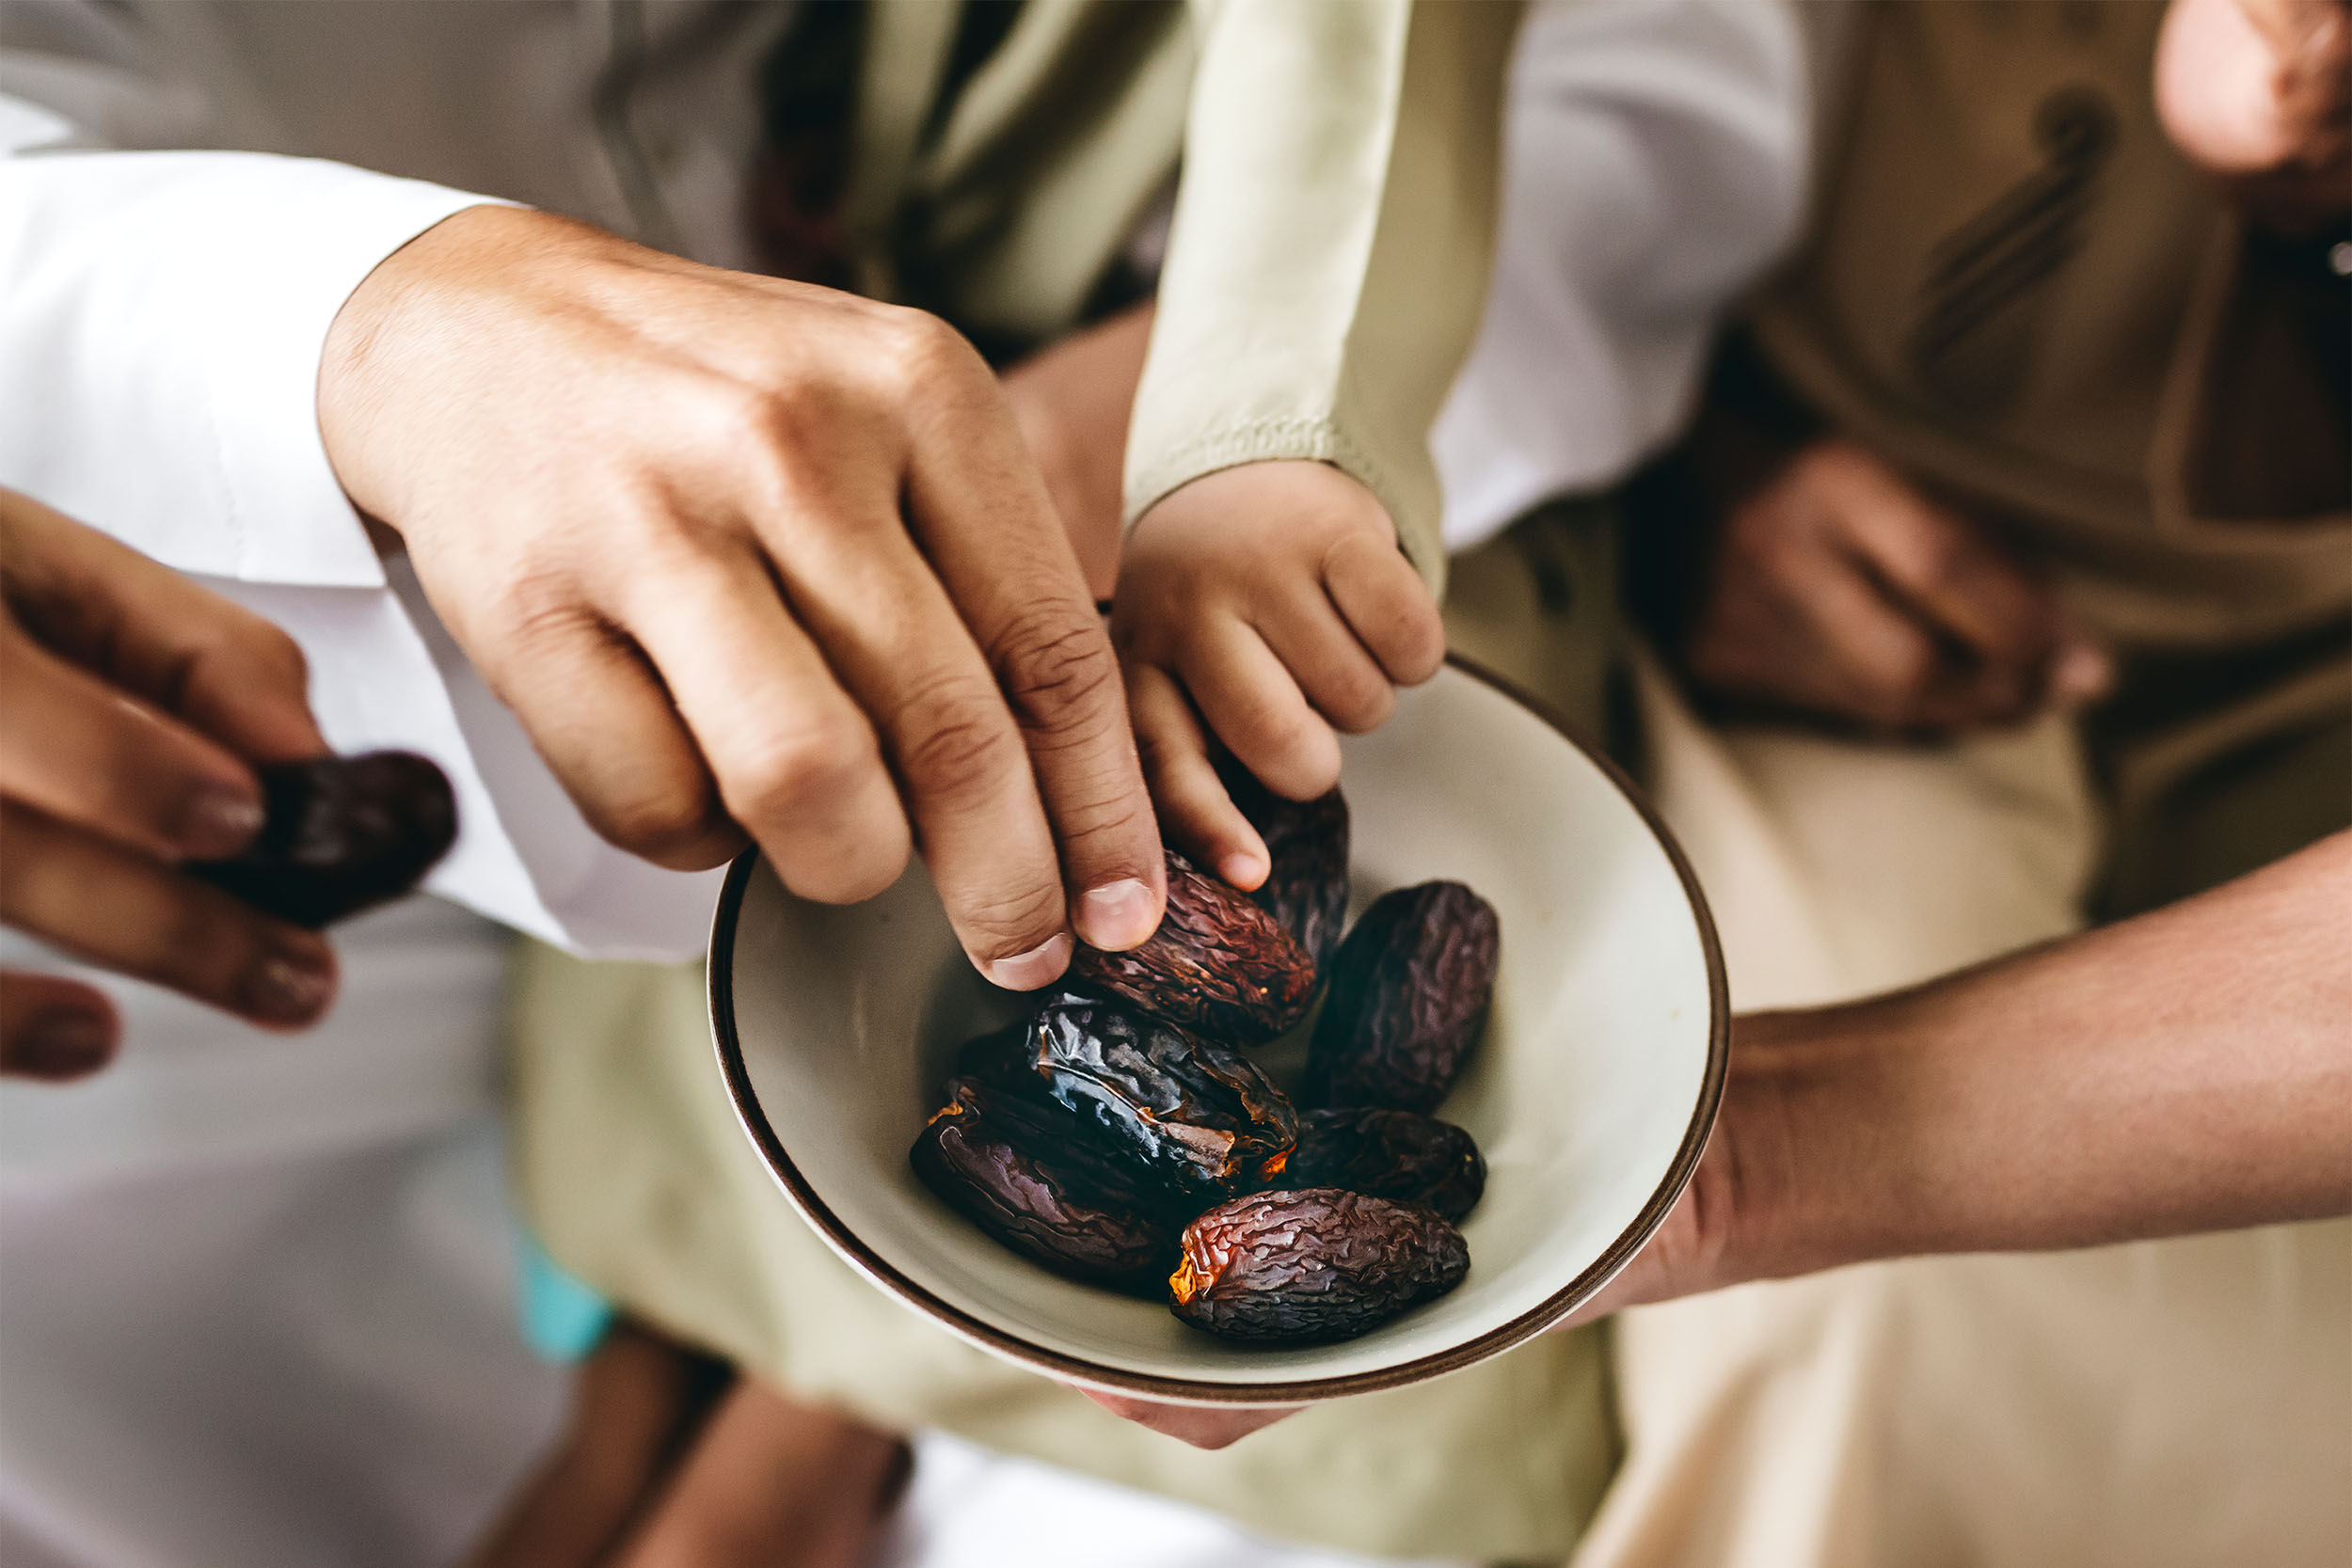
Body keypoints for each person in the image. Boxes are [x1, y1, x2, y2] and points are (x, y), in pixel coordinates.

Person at [0, 1, 1521, 1560]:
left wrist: (1246, 407)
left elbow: (1510, 102)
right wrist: (372, 324)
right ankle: (722, 1378)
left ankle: (782, 1401)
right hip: (306, 542)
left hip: (1087, 405)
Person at [501, 3, 1820, 1562]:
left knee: (1202, 779)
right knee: (779, 913)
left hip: (1336, 497)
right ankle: (683, 1365)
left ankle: (810, 1416)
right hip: (874, 416)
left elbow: (1564, 118)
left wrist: (1237, 424)